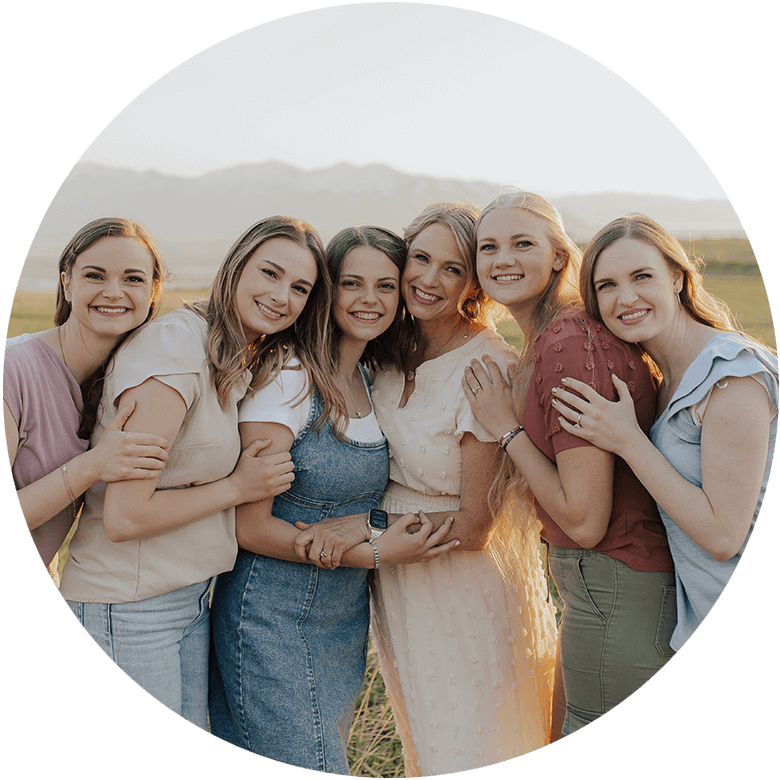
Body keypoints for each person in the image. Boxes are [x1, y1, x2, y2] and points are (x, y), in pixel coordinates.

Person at [298, 204, 558, 775]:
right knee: (425, 738)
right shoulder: (388, 349)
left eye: (451, 268)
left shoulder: (486, 364)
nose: (428, 279)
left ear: (472, 284)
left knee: (472, 742)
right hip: (399, 581)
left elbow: (473, 525)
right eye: (420, 259)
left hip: (461, 583)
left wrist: (361, 527)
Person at [209, 225, 458, 774]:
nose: (370, 300)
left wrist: (368, 530)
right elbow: (249, 526)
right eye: (352, 283)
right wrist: (371, 553)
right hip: (269, 615)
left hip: (343, 619)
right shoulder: (290, 378)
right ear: (328, 290)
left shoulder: (371, 375)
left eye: (386, 286)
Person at [58, 216, 325, 729]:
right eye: (269, 273)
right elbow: (127, 517)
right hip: (128, 608)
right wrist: (237, 488)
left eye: (299, 288)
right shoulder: (176, 349)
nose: (281, 296)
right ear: (234, 267)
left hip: (187, 600)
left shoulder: (229, 353)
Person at [463, 191, 675, 737]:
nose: (502, 258)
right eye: (489, 246)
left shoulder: (568, 342)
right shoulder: (560, 334)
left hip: (614, 583)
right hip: (606, 588)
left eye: (522, 243)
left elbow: (584, 520)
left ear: (559, 256)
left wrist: (503, 428)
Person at [549, 213, 777, 651]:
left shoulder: (730, 375)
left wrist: (628, 440)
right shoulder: (664, 379)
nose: (626, 297)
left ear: (676, 277)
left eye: (642, 276)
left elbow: (723, 537)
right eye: (607, 285)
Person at [4, 217, 171, 585]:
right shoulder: (11, 369)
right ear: (67, 282)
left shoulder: (128, 385)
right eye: (95, 275)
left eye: (133, 279)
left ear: (154, 291)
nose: (114, 292)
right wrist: (93, 465)